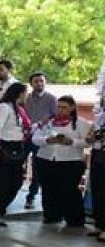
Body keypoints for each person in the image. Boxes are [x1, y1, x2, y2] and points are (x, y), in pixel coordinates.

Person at [32, 96, 89, 227]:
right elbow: (35, 138)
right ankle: (52, 215)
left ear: (72, 108)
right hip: (46, 159)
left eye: (64, 107)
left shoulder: (81, 123)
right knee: (48, 189)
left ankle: (74, 220)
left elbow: (87, 142)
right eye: (58, 107)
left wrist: (72, 142)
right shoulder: (49, 121)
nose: (60, 110)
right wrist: (47, 140)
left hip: (70, 161)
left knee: (69, 190)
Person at [0, 82, 29, 226]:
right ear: (19, 93)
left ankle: (0, 208)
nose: (26, 96)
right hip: (4, 147)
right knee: (1, 182)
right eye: (25, 93)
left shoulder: (18, 109)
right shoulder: (4, 107)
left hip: (17, 147)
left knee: (16, 181)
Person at [23, 72, 57, 210]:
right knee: (17, 162)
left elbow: (55, 116)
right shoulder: (27, 98)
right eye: (36, 81)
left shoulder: (51, 99)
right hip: (26, 136)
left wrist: (42, 124)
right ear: (31, 83)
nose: (39, 84)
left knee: (38, 168)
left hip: (42, 137)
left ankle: (31, 196)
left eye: (42, 81)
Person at [87, 101, 105, 243]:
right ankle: (99, 224)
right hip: (98, 154)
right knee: (97, 189)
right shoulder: (100, 117)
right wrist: (93, 136)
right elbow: (89, 137)